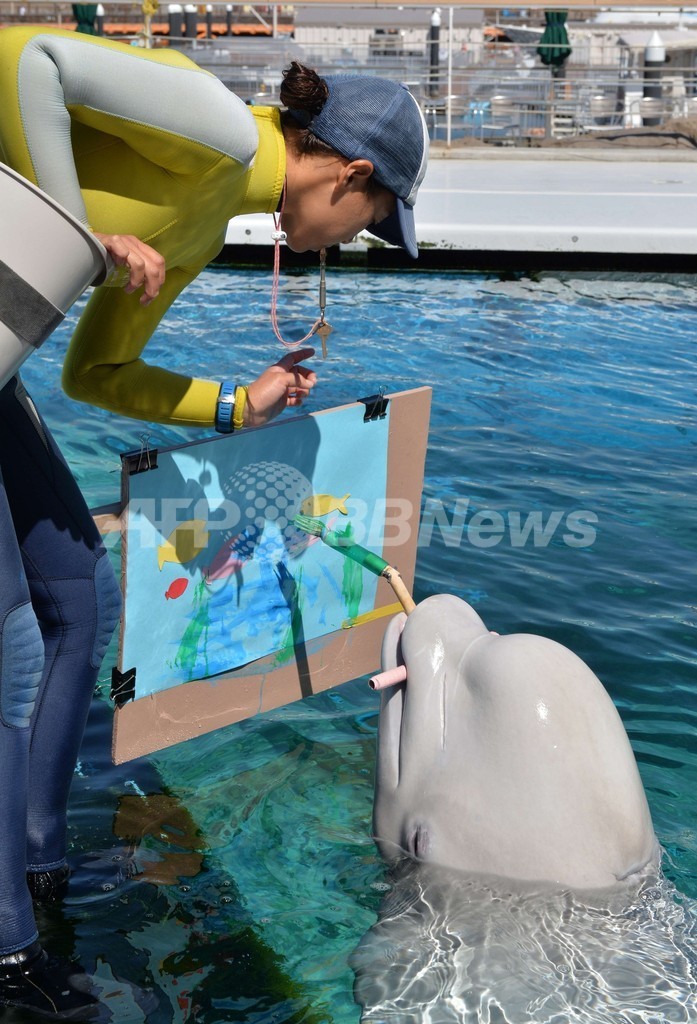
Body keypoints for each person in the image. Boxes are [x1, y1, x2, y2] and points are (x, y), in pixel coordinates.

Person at [0, 25, 429, 1018]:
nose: (348, 242)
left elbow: (94, 372)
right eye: (366, 220)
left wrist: (240, 406)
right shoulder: (221, 132)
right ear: (348, 174)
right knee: (14, 650)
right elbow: (33, 66)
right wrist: (71, 223)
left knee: (76, 590)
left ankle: (37, 866)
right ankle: (14, 964)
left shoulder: (195, 230)